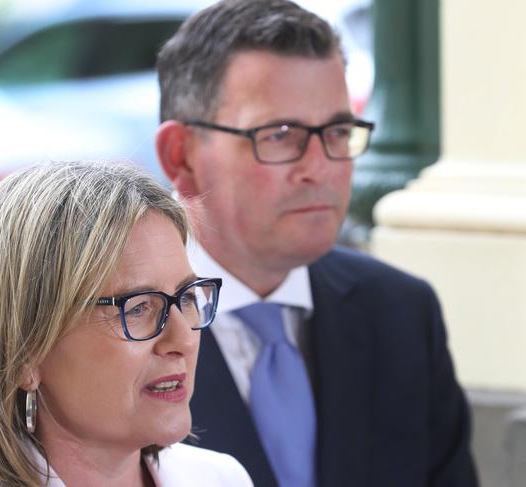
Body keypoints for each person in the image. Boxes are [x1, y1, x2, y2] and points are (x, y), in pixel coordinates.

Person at [155, 1, 478, 486]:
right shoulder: (121, 329)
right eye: (281, 135)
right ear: (181, 154)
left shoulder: (401, 313)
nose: (321, 167)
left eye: (337, 131)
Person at [0, 161, 253, 486]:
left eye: (186, 298)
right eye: (137, 308)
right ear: (25, 352)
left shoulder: (221, 478)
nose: (183, 339)